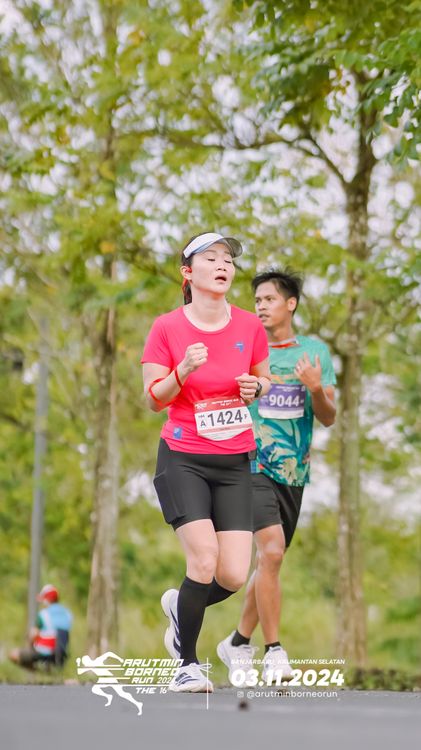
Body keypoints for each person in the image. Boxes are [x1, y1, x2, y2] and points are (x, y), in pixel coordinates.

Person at [141, 232, 271, 693]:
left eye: (228, 260)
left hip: (234, 459)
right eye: (211, 258)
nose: (223, 265)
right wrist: (183, 371)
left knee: (232, 574)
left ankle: (180, 606)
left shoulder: (249, 327)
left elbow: (264, 380)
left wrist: (257, 388)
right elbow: (154, 398)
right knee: (203, 559)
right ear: (188, 272)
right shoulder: (166, 328)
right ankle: (187, 665)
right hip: (183, 458)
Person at [216, 268, 336, 684]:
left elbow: (329, 417)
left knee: (269, 561)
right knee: (272, 551)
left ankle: (236, 641)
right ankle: (274, 652)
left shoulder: (314, 353)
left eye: (269, 299)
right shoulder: (246, 349)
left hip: (293, 473)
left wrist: (315, 388)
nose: (261, 306)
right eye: (257, 301)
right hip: (250, 463)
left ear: (291, 304)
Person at [9, 584, 73, 670]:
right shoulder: (67, 613)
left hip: (44, 653)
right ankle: (50, 668)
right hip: (62, 656)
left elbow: (33, 634)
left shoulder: (44, 614)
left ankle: (37, 668)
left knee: (13, 654)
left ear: (46, 600)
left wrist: (30, 646)